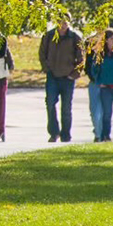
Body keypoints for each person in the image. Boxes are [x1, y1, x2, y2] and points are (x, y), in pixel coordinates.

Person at [38, 14, 84, 142]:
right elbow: (42, 54)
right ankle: (54, 132)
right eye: (60, 21)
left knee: (66, 108)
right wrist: (47, 69)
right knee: (50, 104)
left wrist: (74, 74)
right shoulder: (49, 36)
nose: (62, 25)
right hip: (53, 76)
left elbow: (81, 59)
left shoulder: (74, 38)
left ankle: (66, 135)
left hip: (68, 78)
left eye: (65, 22)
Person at [84, 29, 104, 138]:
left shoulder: (110, 44)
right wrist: (91, 76)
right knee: (94, 110)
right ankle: (97, 130)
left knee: (103, 110)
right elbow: (87, 64)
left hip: (106, 83)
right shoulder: (89, 43)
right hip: (94, 82)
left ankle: (100, 133)